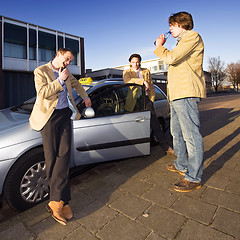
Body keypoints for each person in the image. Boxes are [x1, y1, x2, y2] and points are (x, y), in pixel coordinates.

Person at [29, 48, 91, 225]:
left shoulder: (67, 72)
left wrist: (85, 96)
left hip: (64, 115)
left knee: (64, 157)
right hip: (49, 118)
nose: (68, 62)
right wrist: (59, 80)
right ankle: (57, 200)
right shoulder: (41, 71)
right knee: (52, 158)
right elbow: (42, 93)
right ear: (58, 55)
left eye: (71, 60)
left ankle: (60, 200)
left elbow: (77, 84)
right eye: (67, 58)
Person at [154, 11, 206, 192]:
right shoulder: (180, 42)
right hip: (176, 95)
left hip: (186, 93)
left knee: (191, 135)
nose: (169, 29)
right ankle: (181, 163)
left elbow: (171, 58)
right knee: (176, 132)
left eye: (171, 25)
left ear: (181, 24)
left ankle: (193, 177)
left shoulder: (191, 37)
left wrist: (160, 46)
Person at [123, 53, 174, 155]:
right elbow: (127, 81)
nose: (135, 64)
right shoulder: (126, 72)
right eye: (133, 62)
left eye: (137, 62)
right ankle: (135, 150)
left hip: (146, 100)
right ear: (130, 63)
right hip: (134, 101)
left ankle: (166, 147)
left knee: (155, 124)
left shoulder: (146, 71)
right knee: (135, 125)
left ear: (140, 62)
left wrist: (152, 98)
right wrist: (142, 82)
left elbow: (151, 84)